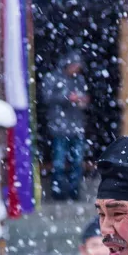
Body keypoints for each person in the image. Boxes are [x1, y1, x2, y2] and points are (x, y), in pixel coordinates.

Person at [42, 50, 90, 200]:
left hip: (76, 126)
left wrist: (82, 100)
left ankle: (74, 191)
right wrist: (67, 98)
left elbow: (84, 98)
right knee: (59, 162)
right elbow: (46, 97)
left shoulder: (79, 80)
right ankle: (58, 192)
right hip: (60, 127)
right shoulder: (54, 78)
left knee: (77, 161)